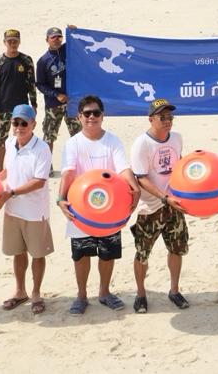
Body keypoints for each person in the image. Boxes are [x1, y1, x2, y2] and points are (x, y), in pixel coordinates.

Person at [56, 95, 140, 315]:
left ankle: (104, 292)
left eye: (96, 113)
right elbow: (68, 172)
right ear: (79, 117)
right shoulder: (72, 143)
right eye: (87, 113)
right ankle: (82, 295)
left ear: (103, 116)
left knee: (107, 253)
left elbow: (123, 168)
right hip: (80, 208)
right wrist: (59, 199)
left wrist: (134, 186)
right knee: (81, 254)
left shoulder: (112, 141)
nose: (91, 117)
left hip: (110, 208)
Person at [130, 98, 191, 313]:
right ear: (151, 119)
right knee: (142, 253)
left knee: (177, 249)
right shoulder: (142, 143)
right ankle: (140, 294)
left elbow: (180, 165)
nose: (167, 121)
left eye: (170, 117)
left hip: (174, 205)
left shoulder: (176, 138)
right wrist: (164, 197)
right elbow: (141, 178)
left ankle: (174, 290)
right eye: (162, 117)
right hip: (151, 208)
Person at [0, 104, 54, 315]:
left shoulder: (42, 148)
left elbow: (39, 181)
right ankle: (20, 292)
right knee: (18, 253)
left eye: (24, 123)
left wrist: (11, 193)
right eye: (15, 122)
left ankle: (36, 293)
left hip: (35, 212)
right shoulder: (10, 143)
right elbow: (7, 171)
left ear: (33, 124)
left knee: (37, 254)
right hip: (12, 210)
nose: (19, 127)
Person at [0, 29, 38, 170]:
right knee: (0, 141)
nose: (12, 44)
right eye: (9, 41)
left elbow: (31, 84)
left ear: (19, 42)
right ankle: (0, 169)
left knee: (21, 138)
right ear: (4, 42)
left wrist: (34, 104)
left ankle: (18, 167)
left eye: (15, 41)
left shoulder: (26, 60)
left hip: (21, 109)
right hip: (2, 107)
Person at [36, 26, 81, 164]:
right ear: (47, 40)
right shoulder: (43, 61)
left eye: (59, 37)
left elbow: (77, 40)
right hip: (53, 104)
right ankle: (46, 166)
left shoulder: (67, 50)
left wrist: (74, 30)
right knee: (49, 137)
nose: (56, 40)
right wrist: (56, 94)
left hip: (72, 103)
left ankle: (80, 164)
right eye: (53, 37)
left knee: (78, 135)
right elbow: (40, 84)